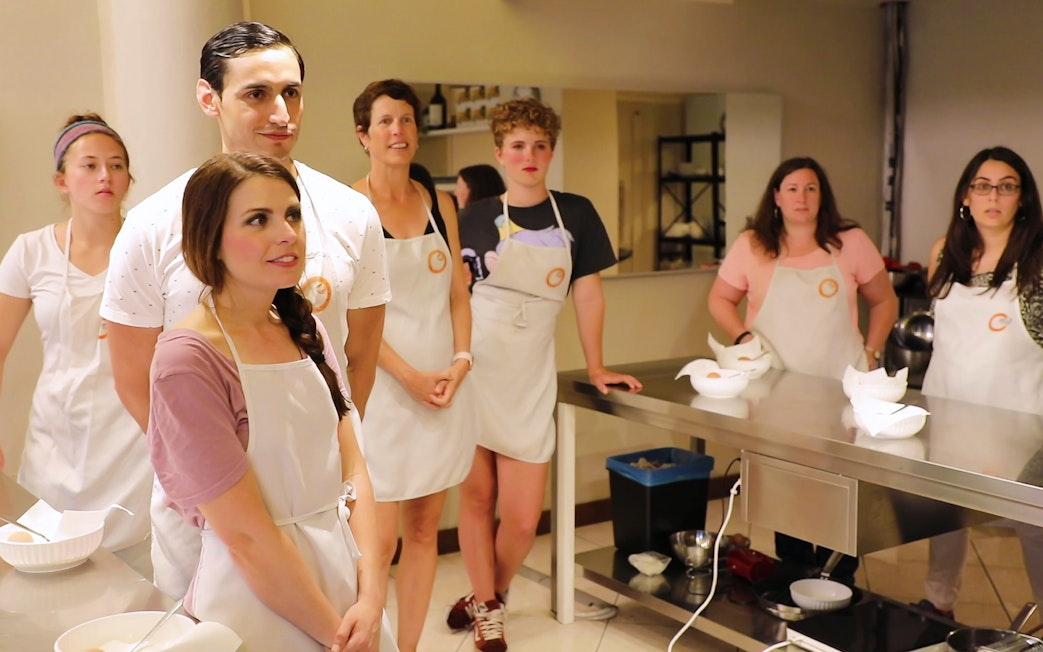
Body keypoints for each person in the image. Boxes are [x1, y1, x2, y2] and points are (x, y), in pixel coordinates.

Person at [100, 21, 391, 599]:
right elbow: (136, 379)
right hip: (206, 512)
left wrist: (317, 465)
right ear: (210, 99)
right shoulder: (155, 224)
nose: (281, 111)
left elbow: (357, 359)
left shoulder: (350, 213)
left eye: (292, 92)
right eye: (257, 94)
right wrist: (218, 482)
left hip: (319, 497)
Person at [148, 151, 396, 652]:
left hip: (345, 585)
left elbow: (354, 466)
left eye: (293, 214)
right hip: (258, 601)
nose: (287, 233)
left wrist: (371, 593)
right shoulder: (188, 360)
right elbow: (247, 538)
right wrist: (338, 636)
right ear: (211, 240)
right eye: (258, 220)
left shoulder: (304, 328)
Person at [450, 97, 642, 652]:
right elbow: (453, 299)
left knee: (523, 515)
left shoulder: (576, 213)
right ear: (499, 153)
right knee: (477, 500)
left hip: (530, 379)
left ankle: (489, 594)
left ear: (551, 152)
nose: (529, 155)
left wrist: (597, 363)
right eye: (518, 146)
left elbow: (587, 295)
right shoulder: (474, 217)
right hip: (475, 369)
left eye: (539, 145)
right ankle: (489, 610)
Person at [707, 156, 898, 582]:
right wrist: (742, 338)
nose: (802, 197)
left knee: (841, 488)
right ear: (776, 197)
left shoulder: (849, 242)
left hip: (840, 390)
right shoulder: (753, 245)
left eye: (811, 188)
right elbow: (719, 299)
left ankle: (838, 580)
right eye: (792, 188)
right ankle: (793, 578)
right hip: (776, 391)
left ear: (822, 196)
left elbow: (884, 300)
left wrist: (872, 350)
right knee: (786, 488)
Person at [350, 79, 474, 652]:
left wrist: (460, 361)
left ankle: (410, 648)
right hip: (384, 394)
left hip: (443, 390)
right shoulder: (349, 209)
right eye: (384, 122)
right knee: (378, 543)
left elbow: (457, 295)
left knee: (427, 531)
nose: (397, 131)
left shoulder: (438, 204)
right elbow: (349, 319)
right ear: (363, 136)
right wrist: (410, 377)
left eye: (405, 120)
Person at [0, 114, 151, 564]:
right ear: (61, 180)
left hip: (134, 440)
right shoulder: (31, 251)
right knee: (54, 562)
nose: (105, 175)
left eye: (117, 165)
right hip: (55, 438)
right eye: (89, 165)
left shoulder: (150, 247)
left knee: (140, 573)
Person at [918, 146, 1043, 620]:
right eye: (983, 185)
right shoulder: (943, 253)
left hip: (1020, 415)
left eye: (1006, 186)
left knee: (1034, 521)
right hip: (949, 404)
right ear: (966, 196)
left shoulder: (1037, 260)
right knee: (943, 510)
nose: (994, 195)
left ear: (1022, 198)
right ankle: (938, 601)